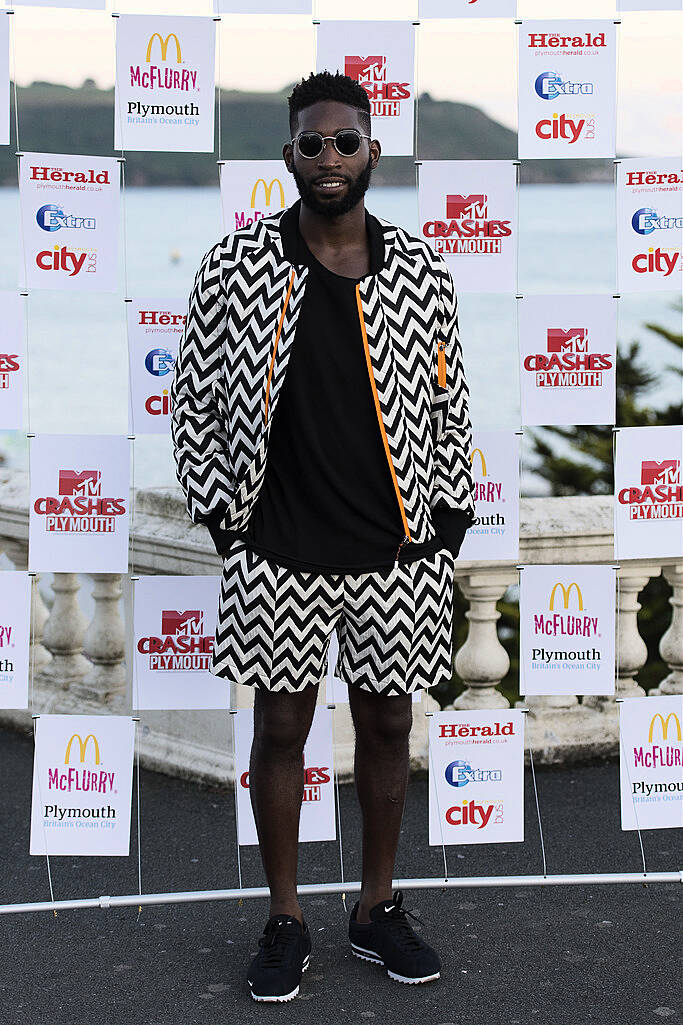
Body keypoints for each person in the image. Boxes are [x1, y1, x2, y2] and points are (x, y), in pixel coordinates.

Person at [170, 70, 476, 1003]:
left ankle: (376, 907)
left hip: (397, 555)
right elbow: (192, 402)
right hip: (278, 553)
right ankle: (286, 917)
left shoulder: (421, 269)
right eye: (312, 143)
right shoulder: (233, 269)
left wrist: (446, 523)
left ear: (372, 152)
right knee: (280, 730)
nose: (329, 158)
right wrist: (231, 523)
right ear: (290, 155)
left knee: (388, 724)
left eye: (345, 142)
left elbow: (449, 402)